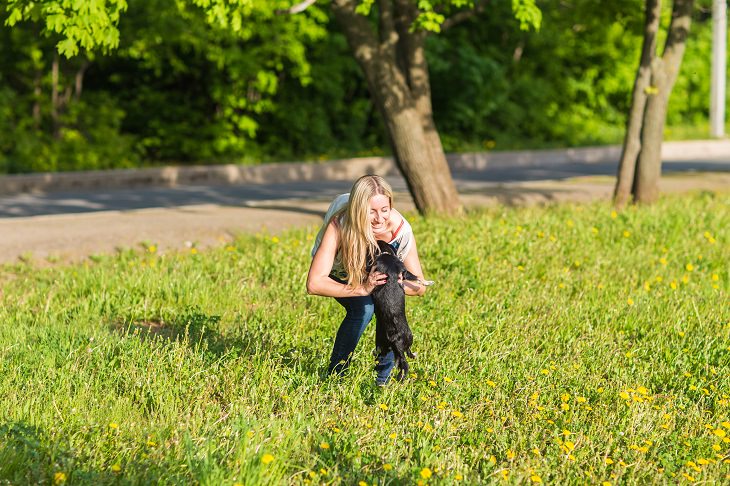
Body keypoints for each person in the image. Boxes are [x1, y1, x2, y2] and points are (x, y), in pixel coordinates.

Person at [306, 175, 427, 385]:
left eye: (384, 210)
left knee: (386, 301)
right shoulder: (340, 224)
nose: (379, 219)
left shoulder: (400, 232)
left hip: (375, 273)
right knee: (363, 309)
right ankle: (336, 374)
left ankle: (383, 381)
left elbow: (419, 287)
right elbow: (315, 283)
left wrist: (395, 283)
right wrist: (362, 289)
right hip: (343, 270)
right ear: (357, 211)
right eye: (371, 211)